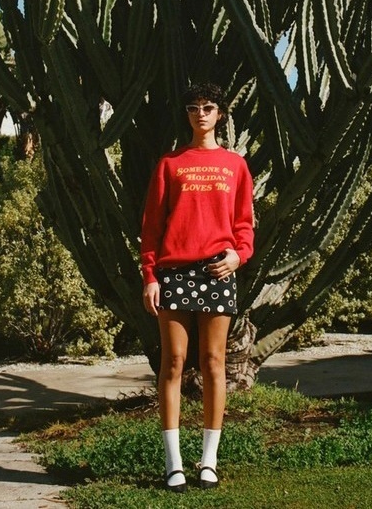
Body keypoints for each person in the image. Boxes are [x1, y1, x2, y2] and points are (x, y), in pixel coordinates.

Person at [141, 82, 254, 493]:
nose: (200, 114)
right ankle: (173, 463)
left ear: (220, 114)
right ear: (187, 114)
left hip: (218, 272)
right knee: (172, 362)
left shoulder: (235, 165)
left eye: (208, 107)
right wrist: (150, 275)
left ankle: (209, 460)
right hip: (173, 271)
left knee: (213, 363)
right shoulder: (170, 164)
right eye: (193, 107)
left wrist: (239, 255)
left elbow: (244, 221)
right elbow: (152, 226)